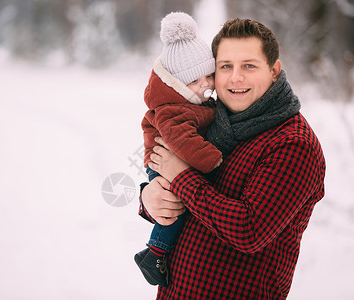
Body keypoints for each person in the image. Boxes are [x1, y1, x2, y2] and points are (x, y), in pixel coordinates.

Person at [138, 18, 326, 299]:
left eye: (249, 65)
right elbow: (175, 186)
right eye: (225, 66)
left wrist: (181, 178)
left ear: (274, 70)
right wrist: (150, 198)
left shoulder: (293, 144)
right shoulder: (211, 120)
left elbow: (248, 230)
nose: (235, 78)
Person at [134, 12, 223, 287]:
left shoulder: (191, 101)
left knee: (176, 201)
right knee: (174, 207)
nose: (206, 84)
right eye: (196, 81)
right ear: (179, 85)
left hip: (174, 159)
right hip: (162, 161)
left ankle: (157, 251)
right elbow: (185, 143)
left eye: (208, 75)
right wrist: (214, 161)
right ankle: (156, 252)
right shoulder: (173, 110)